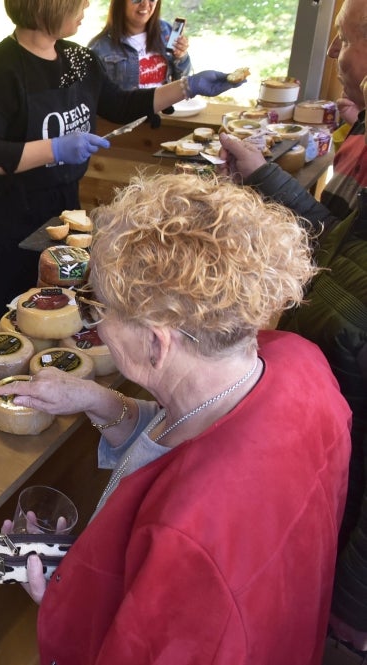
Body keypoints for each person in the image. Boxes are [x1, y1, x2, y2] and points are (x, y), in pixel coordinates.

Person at [0, 173, 351, 664]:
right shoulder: (300, 364)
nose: (93, 321)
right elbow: (189, 438)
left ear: (158, 343)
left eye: (100, 308)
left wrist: (66, 597)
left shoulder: (187, 536)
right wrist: (98, 399)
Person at [220, 0, 367, 650]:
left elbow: (347, 309)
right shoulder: (362, 149)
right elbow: (334, 245)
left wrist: (354, 605)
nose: (335, 60)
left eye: (342, 43)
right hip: (330, 439)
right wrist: (264, 179)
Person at [0, 0, 240, 341]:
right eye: (79, 2)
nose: (89, 5)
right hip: (3, 218)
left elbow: (121, 105)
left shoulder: (79, 60)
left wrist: (187, 87)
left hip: (59, 211)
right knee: (1, 321)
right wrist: (57, 148)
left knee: (52, 314)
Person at [88, 0, 191, 91]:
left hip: (165, 112)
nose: (145, 4)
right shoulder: (99, 47)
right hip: (126, 112)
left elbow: (182, 83)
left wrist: (181, 57)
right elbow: (93, 98)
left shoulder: (166, 31)